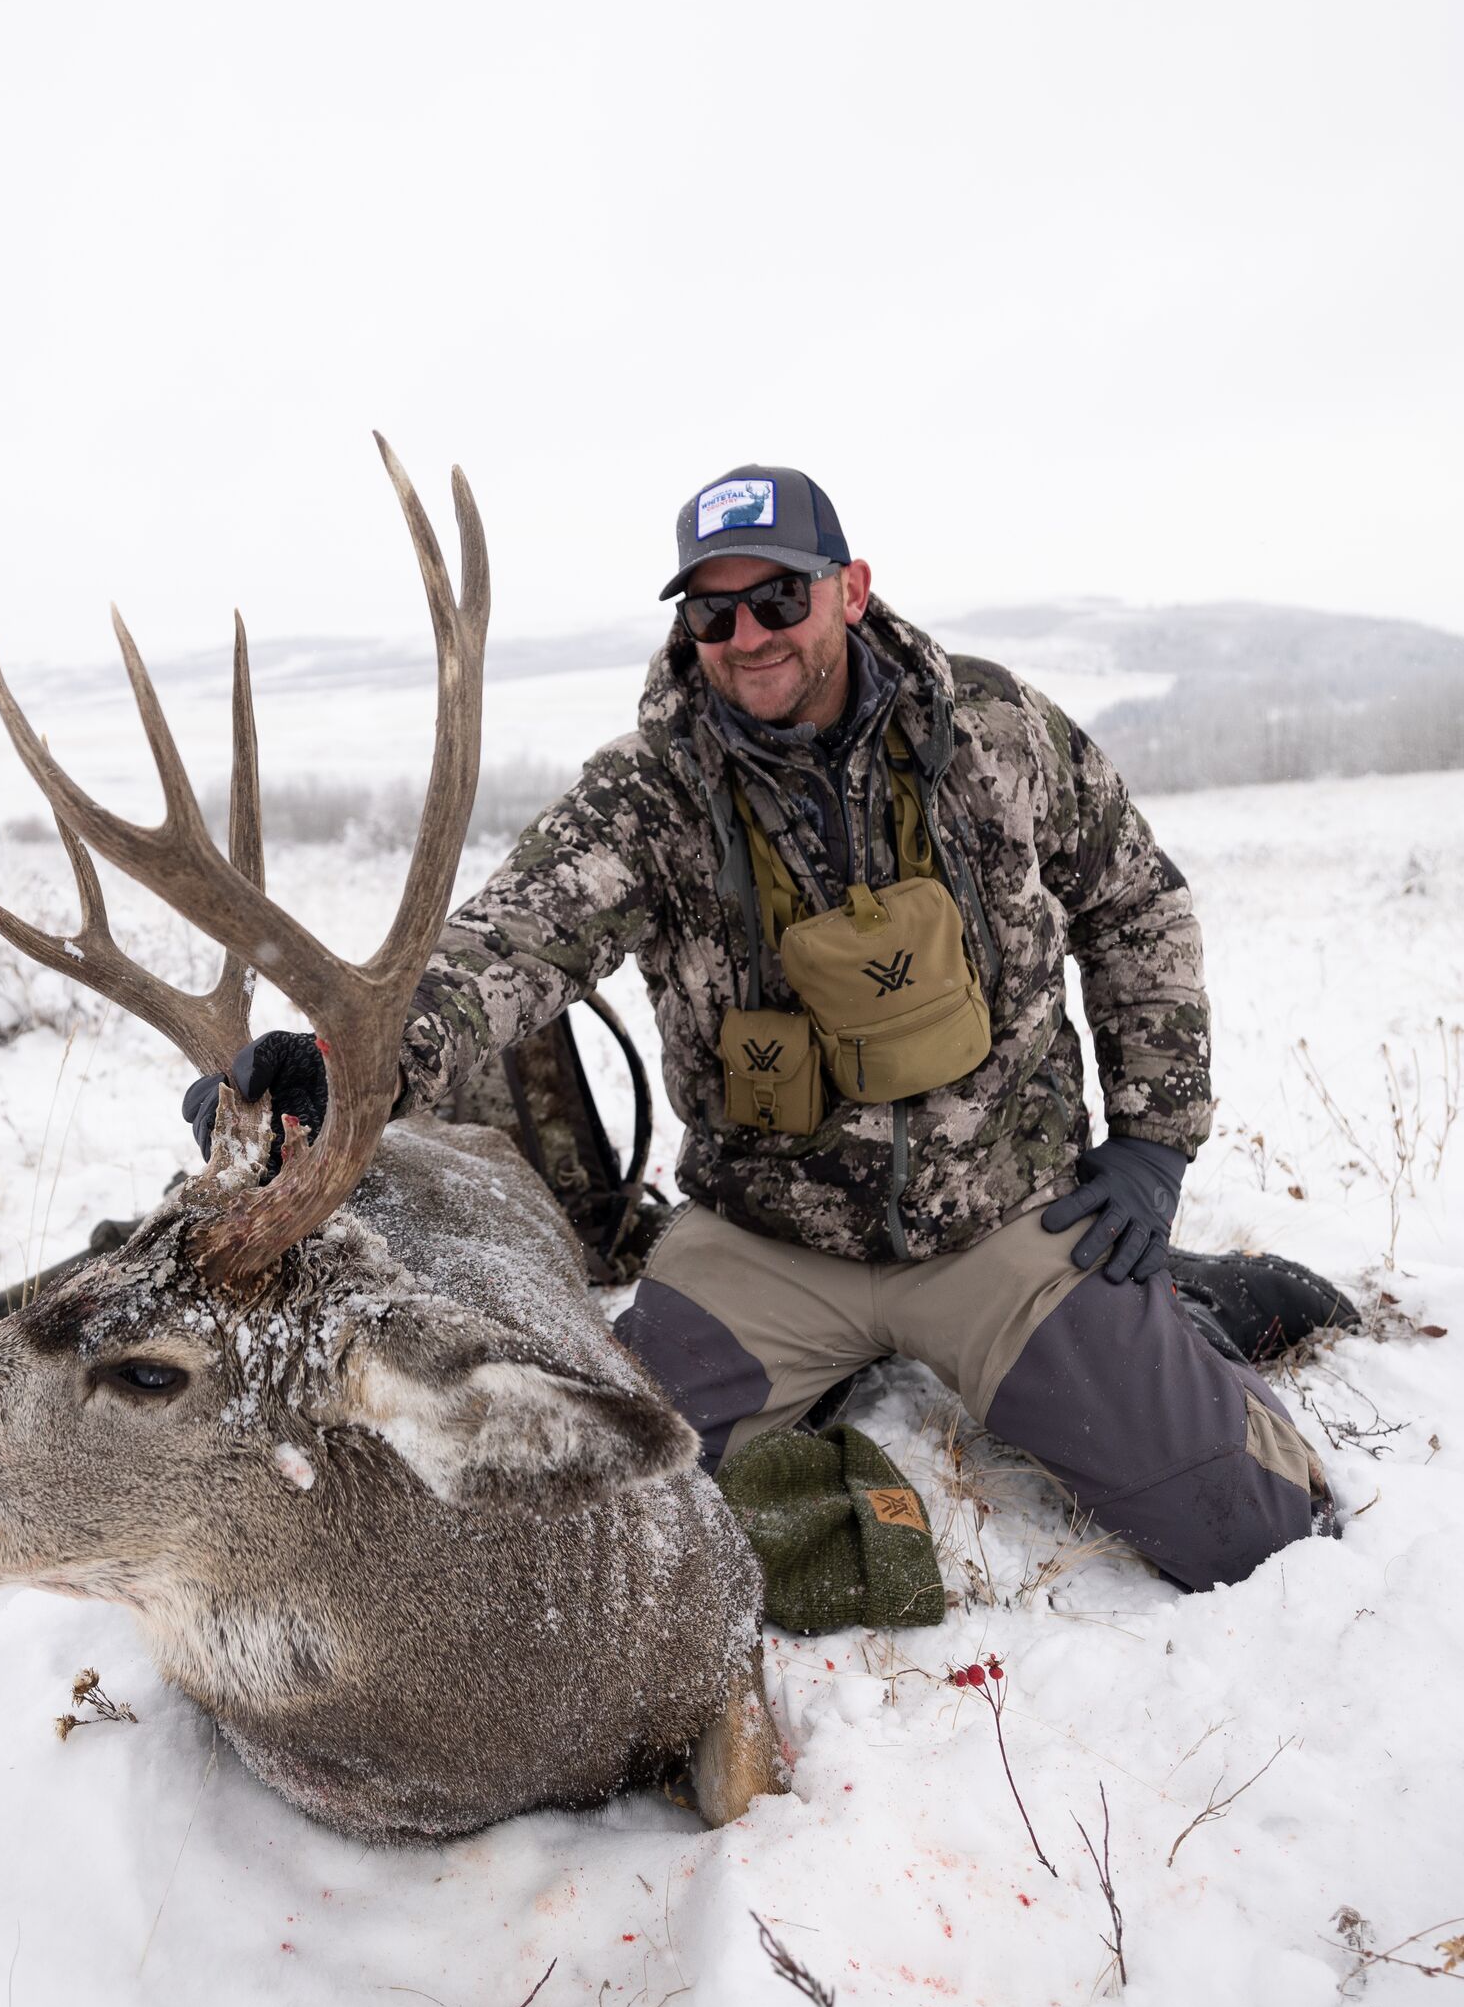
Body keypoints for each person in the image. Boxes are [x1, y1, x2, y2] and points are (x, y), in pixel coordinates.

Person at [195, 460, 1336, 1595]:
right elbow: (507, 945)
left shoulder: (997, 735)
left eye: (778, 597)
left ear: (849, 588)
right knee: (583, 1513)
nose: (748, 636)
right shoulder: (648, 796)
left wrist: (1152, 1143)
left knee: (1251, 1533)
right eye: (712, 612)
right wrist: (338, 1075)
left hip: (1000, 1223)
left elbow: (1134, 903)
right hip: (764, 1244)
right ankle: (838, 1370)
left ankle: (1176, 1313)